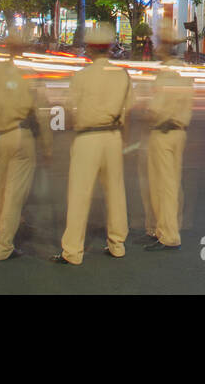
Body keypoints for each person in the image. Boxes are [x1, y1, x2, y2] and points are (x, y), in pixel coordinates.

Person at [53, 24, 133, 264]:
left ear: (89, 48)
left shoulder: (81, 76)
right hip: (112, 137)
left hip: (87, 137)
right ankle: (117, 244)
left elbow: (68, 110)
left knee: (79, 193)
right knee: (116, 192)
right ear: (110, 48)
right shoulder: (122, 75)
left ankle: (73, 251)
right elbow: (128, 111)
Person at [0, 43, 52, 260]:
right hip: (21, 136)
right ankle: (3, 247)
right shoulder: (28, 74)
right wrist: (47, 145)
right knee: (13, 196)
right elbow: (41, 112)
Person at [141, 69, 194, 251]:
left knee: (162, 186)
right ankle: (165, 231)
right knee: (171, 184)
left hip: (162, 134)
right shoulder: (185, 84)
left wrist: (146, 117)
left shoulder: (164, 83)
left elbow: (153, 112)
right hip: (179, 134)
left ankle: (168, 235)